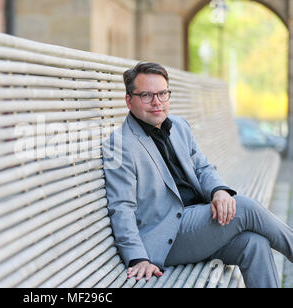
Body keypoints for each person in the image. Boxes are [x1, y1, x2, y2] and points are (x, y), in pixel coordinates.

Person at [102, 62, 293, 288]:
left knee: (254, 243)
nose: (157, 102)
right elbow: (121, 207)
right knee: (243, 207)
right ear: (129, 100)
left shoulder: (179, 127)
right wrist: (138, 257)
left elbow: (203, 168)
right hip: (165, 236)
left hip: (198, 223)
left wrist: (218, 191)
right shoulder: (120, 144)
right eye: (146, 95)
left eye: (162, 94)